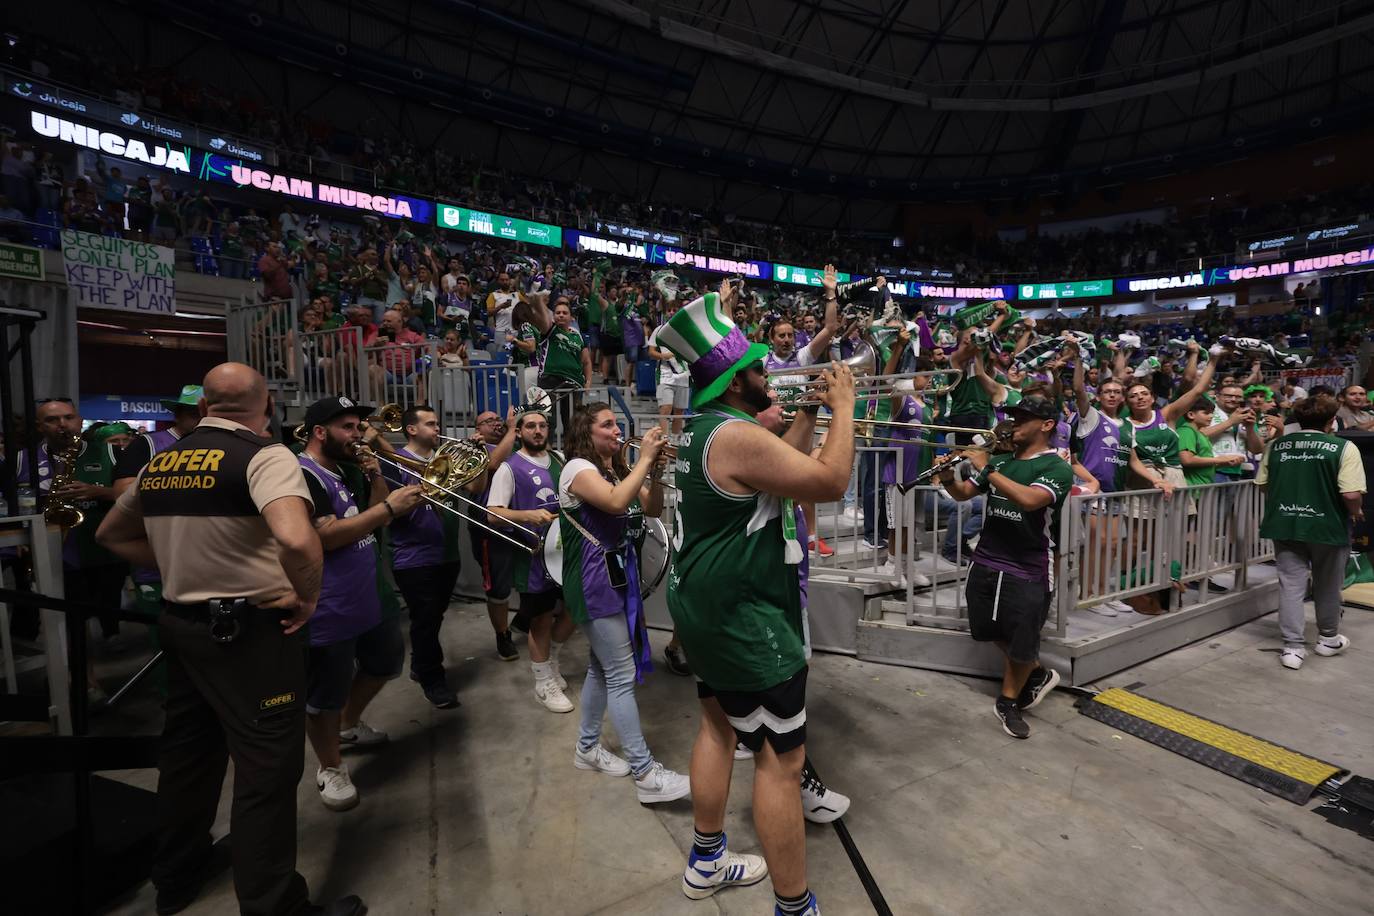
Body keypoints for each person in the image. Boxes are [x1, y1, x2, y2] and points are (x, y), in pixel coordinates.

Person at [94, 363, 363, 916]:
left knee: (189, 757)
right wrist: (306, 595)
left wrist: (178, 562)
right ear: (265, 405)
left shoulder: (163, 460)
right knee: (267, 770)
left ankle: (177, 876)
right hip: (249, 633)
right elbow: (298, 539)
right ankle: (274, 904)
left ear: (208, 403)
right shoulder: (265, 456)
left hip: (181, 624)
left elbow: (110, 534)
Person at [659, 287, 856, 916]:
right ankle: (794, 908)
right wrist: (846, 406)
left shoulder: (710, 430)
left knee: (718, 727)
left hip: (701, 609)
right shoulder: (736, 437)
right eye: (757, 368)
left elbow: (780, 465)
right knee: (781, 759)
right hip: (743, 619)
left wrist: (813, 416)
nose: (767, 370)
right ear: (733, 380)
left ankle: (708, 857)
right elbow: (828, 481)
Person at [297, 396, 422, 811]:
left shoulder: (346, 469)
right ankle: (329, 766)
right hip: (330, 603)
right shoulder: (303, 474)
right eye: (348, 427)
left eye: (358, 426)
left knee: (386, 662)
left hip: (368, 591)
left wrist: (377, 480)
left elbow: (374, 517)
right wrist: (389, 505)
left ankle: (347, 726)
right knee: (324, 694)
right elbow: (325, 536)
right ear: (320, 432)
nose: (359, 434)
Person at [559, 403, 689, 802]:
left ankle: (586, 748)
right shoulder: (577, 470)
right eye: (607, 425)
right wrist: (644, 456)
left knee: (602, 668)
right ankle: (645, 773)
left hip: (618, 579)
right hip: (594, 582)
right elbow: (616, 503)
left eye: (618, 423)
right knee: (620, 673)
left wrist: (655, 472)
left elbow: (648, 509)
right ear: (586, 431)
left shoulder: (615, 469)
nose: (617, 430)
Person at [937, 395, 1072, 740]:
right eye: (1012, 417)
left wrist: (986, 467)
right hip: (987, 557)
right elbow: (965, 494)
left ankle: (1009, 701)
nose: (1013, 424)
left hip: (1029, 564)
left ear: (1046, 426)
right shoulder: (1003, 461)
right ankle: (1037, 671)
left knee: (1021, 638)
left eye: (1022, 418)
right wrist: (949, 476)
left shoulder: (1056, 467)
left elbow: (1029, 501)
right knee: (985, 629)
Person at [1257, 394, 1366, 670]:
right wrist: (1355, 511)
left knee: (1291, 585)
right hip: (1327, 525)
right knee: (1328, 584)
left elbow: (1263, 484)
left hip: (1285, 523)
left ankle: (1293, 648)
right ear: (1331, 421)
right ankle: (1328, 639)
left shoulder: (1277, 445)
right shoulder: (1344, 447)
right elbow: (1351, 493)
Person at [21, 398, 127, 663]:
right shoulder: (23, 459)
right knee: (70, 616)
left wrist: (101, 492)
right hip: (56, 552)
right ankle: (78, 672)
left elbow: (136, 493)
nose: (62, 425)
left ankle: (106, 638)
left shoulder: (109, 453)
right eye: (52, 420)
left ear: (79, 421)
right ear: (39, 426)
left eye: (68, 417)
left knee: (106, 603)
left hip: (103, 549)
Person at [486, 409, 576, 712]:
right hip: (534, 555)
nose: (538, 430)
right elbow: (493, 512)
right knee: (540, 618)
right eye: (530, 426)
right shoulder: (510, 468)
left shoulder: (560, 460)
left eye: (542, 425)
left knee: (575, 608)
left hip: (565, 551)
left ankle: (552, 662)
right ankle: (542, 682)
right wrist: (525, 515)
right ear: (519, 432)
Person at [383, 405, 463, 710]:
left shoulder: (445, 461)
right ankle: (433, 678)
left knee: (433, 616)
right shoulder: (394, 463)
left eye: (437, 423)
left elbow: (472, 490)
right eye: (430, 424)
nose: (437, 429)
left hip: (447, 552)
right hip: (413, 556)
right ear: (412, 429)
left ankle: (420, 662)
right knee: (426, 618)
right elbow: (385, 511)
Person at [469, 408, 521, 660]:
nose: (496, 423)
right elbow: (492, 464)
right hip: (490, 528)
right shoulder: (473, 448)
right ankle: (502, 635)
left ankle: (522, 622)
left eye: (497, 419)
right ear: (477, 429)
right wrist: (512, 429)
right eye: (488, 421)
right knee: (499, 589)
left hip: (520, 524)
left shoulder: (514, 444)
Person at [647, 298, 690, 438]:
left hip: (683, 375)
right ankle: (665, 441)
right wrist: (664, 356)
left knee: (679, 412)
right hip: (665, 375)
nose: (671, 313)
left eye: (674, 310)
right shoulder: (659, 330)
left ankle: (676, 442)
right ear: (665, 313)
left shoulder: (686, 331)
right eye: (669, 310)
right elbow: (651, 352)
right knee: (665, 408)